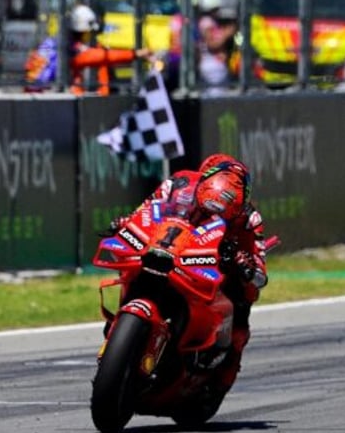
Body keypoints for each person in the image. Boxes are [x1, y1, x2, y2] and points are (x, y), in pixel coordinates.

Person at [106, 153, 268, 395]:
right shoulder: (178, 184)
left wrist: (246, 266)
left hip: (216, 271)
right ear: (204, 180)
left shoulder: (249, 218)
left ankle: (220, 383)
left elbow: (260, 272)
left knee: (240, 323)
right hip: (171, 249)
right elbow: (147, 209)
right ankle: (116, 334)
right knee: (130, 271)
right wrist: (126, 222)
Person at [25, 4, 152, 95]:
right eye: (89, 32)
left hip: (34, 91)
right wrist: (135, 54)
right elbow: (102, 56)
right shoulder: (72, 49)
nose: (90, 35)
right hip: (46, 94)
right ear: (82, 30)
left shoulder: (52, 42)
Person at [196, 0, 238, 95]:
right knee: (216, 95)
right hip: (212, 65)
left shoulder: (210, 22)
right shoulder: (207, 23)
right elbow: (212, 44)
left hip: (215, 64)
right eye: (216, 9)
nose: (218, 12)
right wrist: (227, 34)